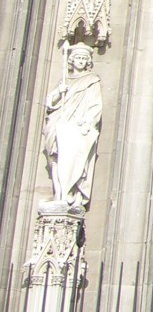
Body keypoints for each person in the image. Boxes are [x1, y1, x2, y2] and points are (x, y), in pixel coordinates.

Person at [42, 44, 103, 210]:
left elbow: (95, 105)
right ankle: (59, 194)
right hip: (60, 121)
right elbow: (50, 102)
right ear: (71, 60)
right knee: (56, 158)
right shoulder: (65, 80)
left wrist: (87, 121)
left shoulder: (91, 80)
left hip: (77, 125)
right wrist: (59, 92)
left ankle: (70, 194)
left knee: (73, 159)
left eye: (84, 58)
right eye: (78, 58)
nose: (81, 61)